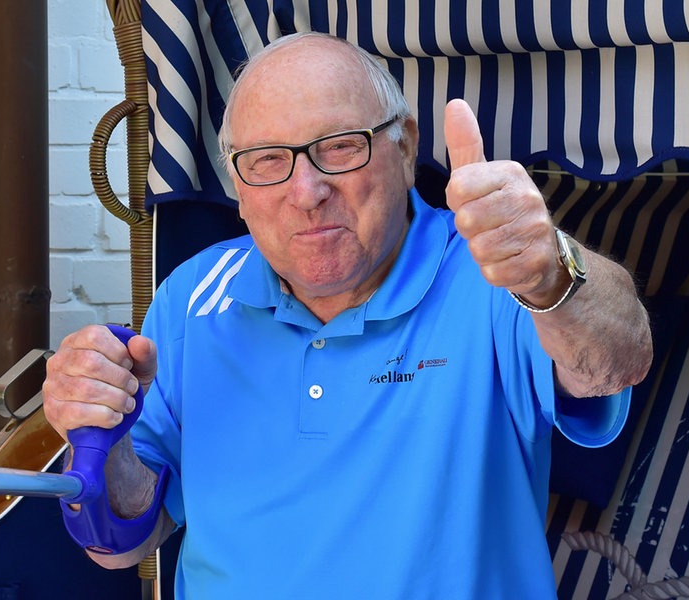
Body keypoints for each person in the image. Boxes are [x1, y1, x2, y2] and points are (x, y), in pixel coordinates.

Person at [43, 31, 653, 598]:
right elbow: (122, 544)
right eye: (267, 160)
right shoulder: (192, 297)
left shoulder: (491, 278)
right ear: (237, 183)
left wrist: (552, 274)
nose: (306, 191)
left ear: (405, 145)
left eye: (339, 147)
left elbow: (618, 360)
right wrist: (104, 439)